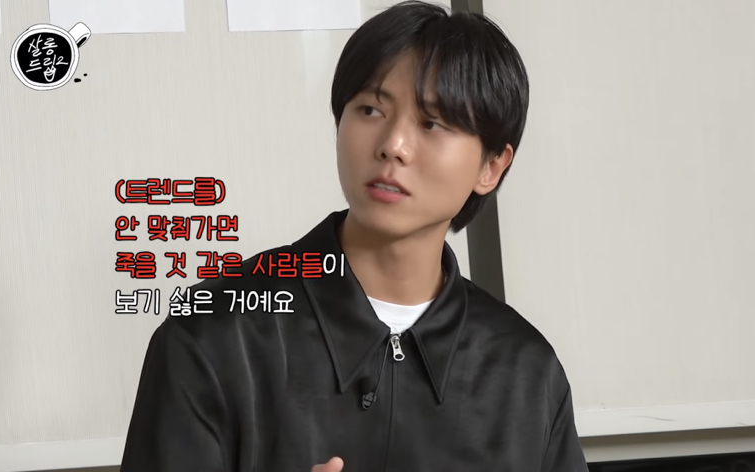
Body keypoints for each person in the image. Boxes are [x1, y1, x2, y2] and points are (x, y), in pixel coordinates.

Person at [120, 2, 589, 471]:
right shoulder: (215, 333)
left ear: (491, 166)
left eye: (432, 123)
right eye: (370, 109)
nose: (393, 146)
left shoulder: (526, 372)